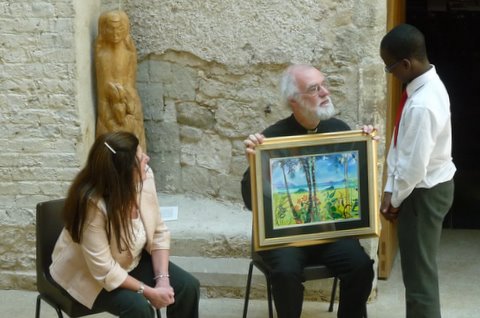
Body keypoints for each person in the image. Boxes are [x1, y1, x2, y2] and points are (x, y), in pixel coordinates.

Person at [241, 64, 374, 318]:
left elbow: (355, 186)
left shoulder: (340, 130)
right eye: (314, 89)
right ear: (294, 100)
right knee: (285, 273)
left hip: (330, 233)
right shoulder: (270, 139)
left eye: (324, 84)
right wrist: (254, 167)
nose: (325, 92)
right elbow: (250, 201)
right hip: (286, 238)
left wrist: (364, 146)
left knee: (361, 267)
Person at [50, 132, 200, 317]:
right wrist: (149, 291)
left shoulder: (144, 177)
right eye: (140, 158)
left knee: (188, 287)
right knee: (138, 308)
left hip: (129, 259)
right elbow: (104, 270)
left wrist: (162, 281)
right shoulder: (92, 206)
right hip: (88, 273)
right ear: (122, 174)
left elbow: (159, 232)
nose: (147, 158)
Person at [379, 24, 456, 318]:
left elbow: (413, 167)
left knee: (419, 280)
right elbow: (402, 145)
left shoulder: (422, 104)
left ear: (406, 64)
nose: (390, 74)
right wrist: (389, 186)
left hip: (423, 194)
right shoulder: (424, 87)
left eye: (390, 68)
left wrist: (394, 199)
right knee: (417, 273)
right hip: (419, 187)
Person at [95, 10, 147, 152]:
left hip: (128, 106)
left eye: (119, 28)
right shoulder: (102, 55)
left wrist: (127, 106)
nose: (115, 33)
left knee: (134, 148)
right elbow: (102, 91)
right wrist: (109, 118)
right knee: (111, 150)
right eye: (111, 28)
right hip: (108, 108)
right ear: (104, 29)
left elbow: (130, 83)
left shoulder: (129, 52)